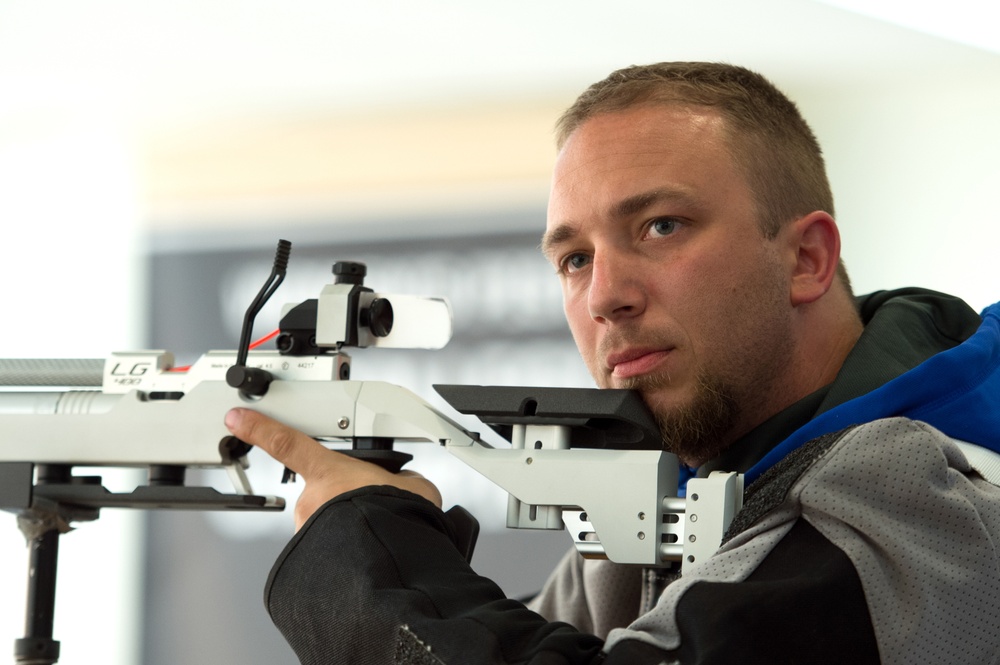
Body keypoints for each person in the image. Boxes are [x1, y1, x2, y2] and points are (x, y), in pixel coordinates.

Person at [223, 62, 1000, 664]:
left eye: (662, 225)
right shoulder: (687, 511)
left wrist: (373, 560)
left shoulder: (930, 506)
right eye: (572, 258)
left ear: (806, 258)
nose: (605, 296)